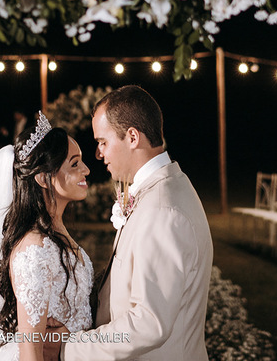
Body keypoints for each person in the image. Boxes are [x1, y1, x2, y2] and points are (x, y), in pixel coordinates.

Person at [60, 85, 213, 360]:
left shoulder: (162, 211)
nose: (98, 154)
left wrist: (70, 348)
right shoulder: (163, 189)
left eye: (103, 142)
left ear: (132, 137)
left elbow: (148, 323)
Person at [0, 113, 93, 361]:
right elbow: (30, 352)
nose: (86, 169)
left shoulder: (56, 231)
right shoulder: (34, 250)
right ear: (43, 178)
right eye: (75, 164)